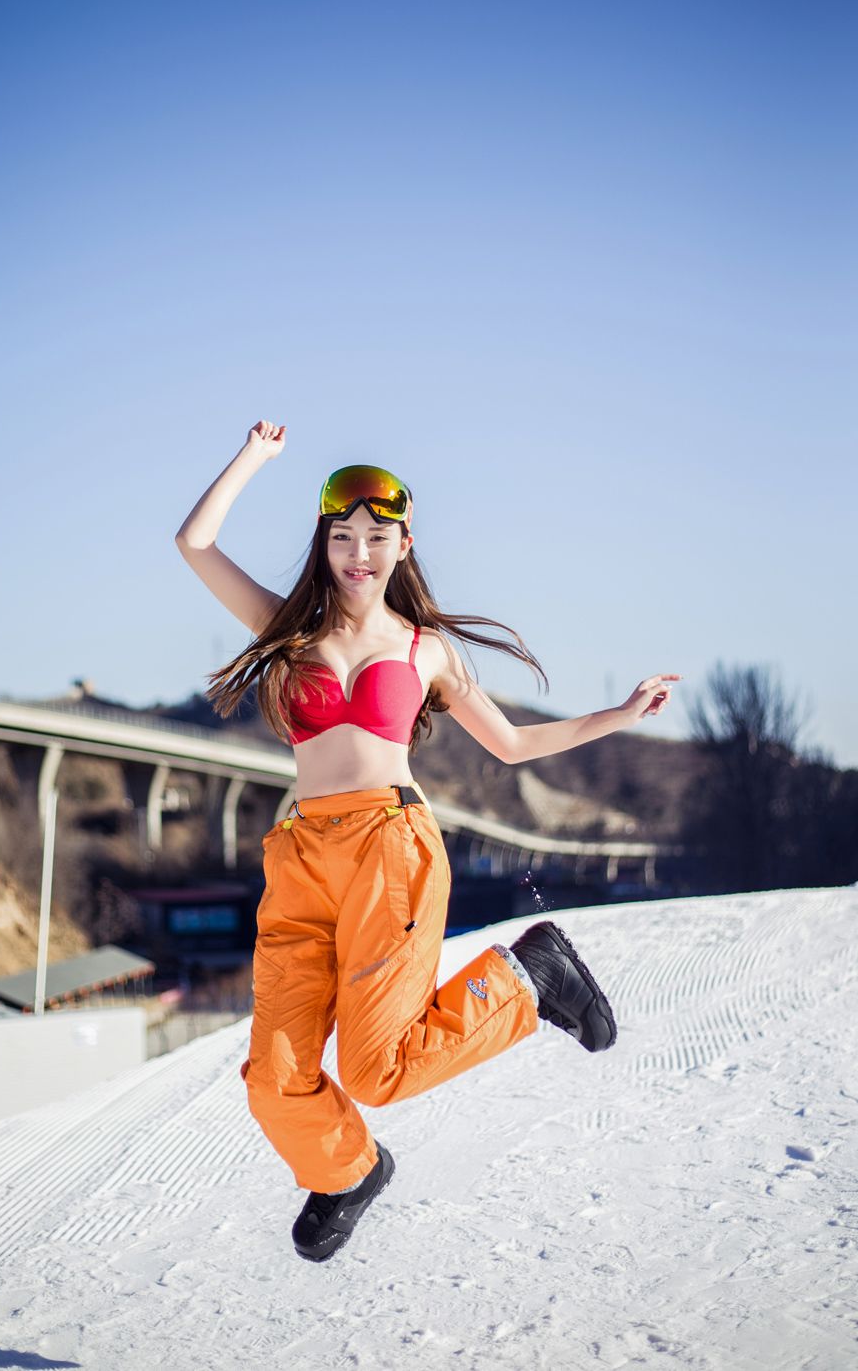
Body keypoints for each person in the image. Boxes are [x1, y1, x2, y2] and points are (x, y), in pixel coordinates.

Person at [174, 421, 680, 1262]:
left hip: (389, 849)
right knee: (273, 1078)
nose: (358, 553)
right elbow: (195, 542)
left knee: (376, 1070)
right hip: (300, 858)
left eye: (376, 538)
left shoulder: (424, 650)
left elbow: (512, 745)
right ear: (324, 545)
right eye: (342, 537)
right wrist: (256, 458)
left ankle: (528, 978)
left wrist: (619, 716)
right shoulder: (284, 630)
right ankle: (347, 1171)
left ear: (404, 546)